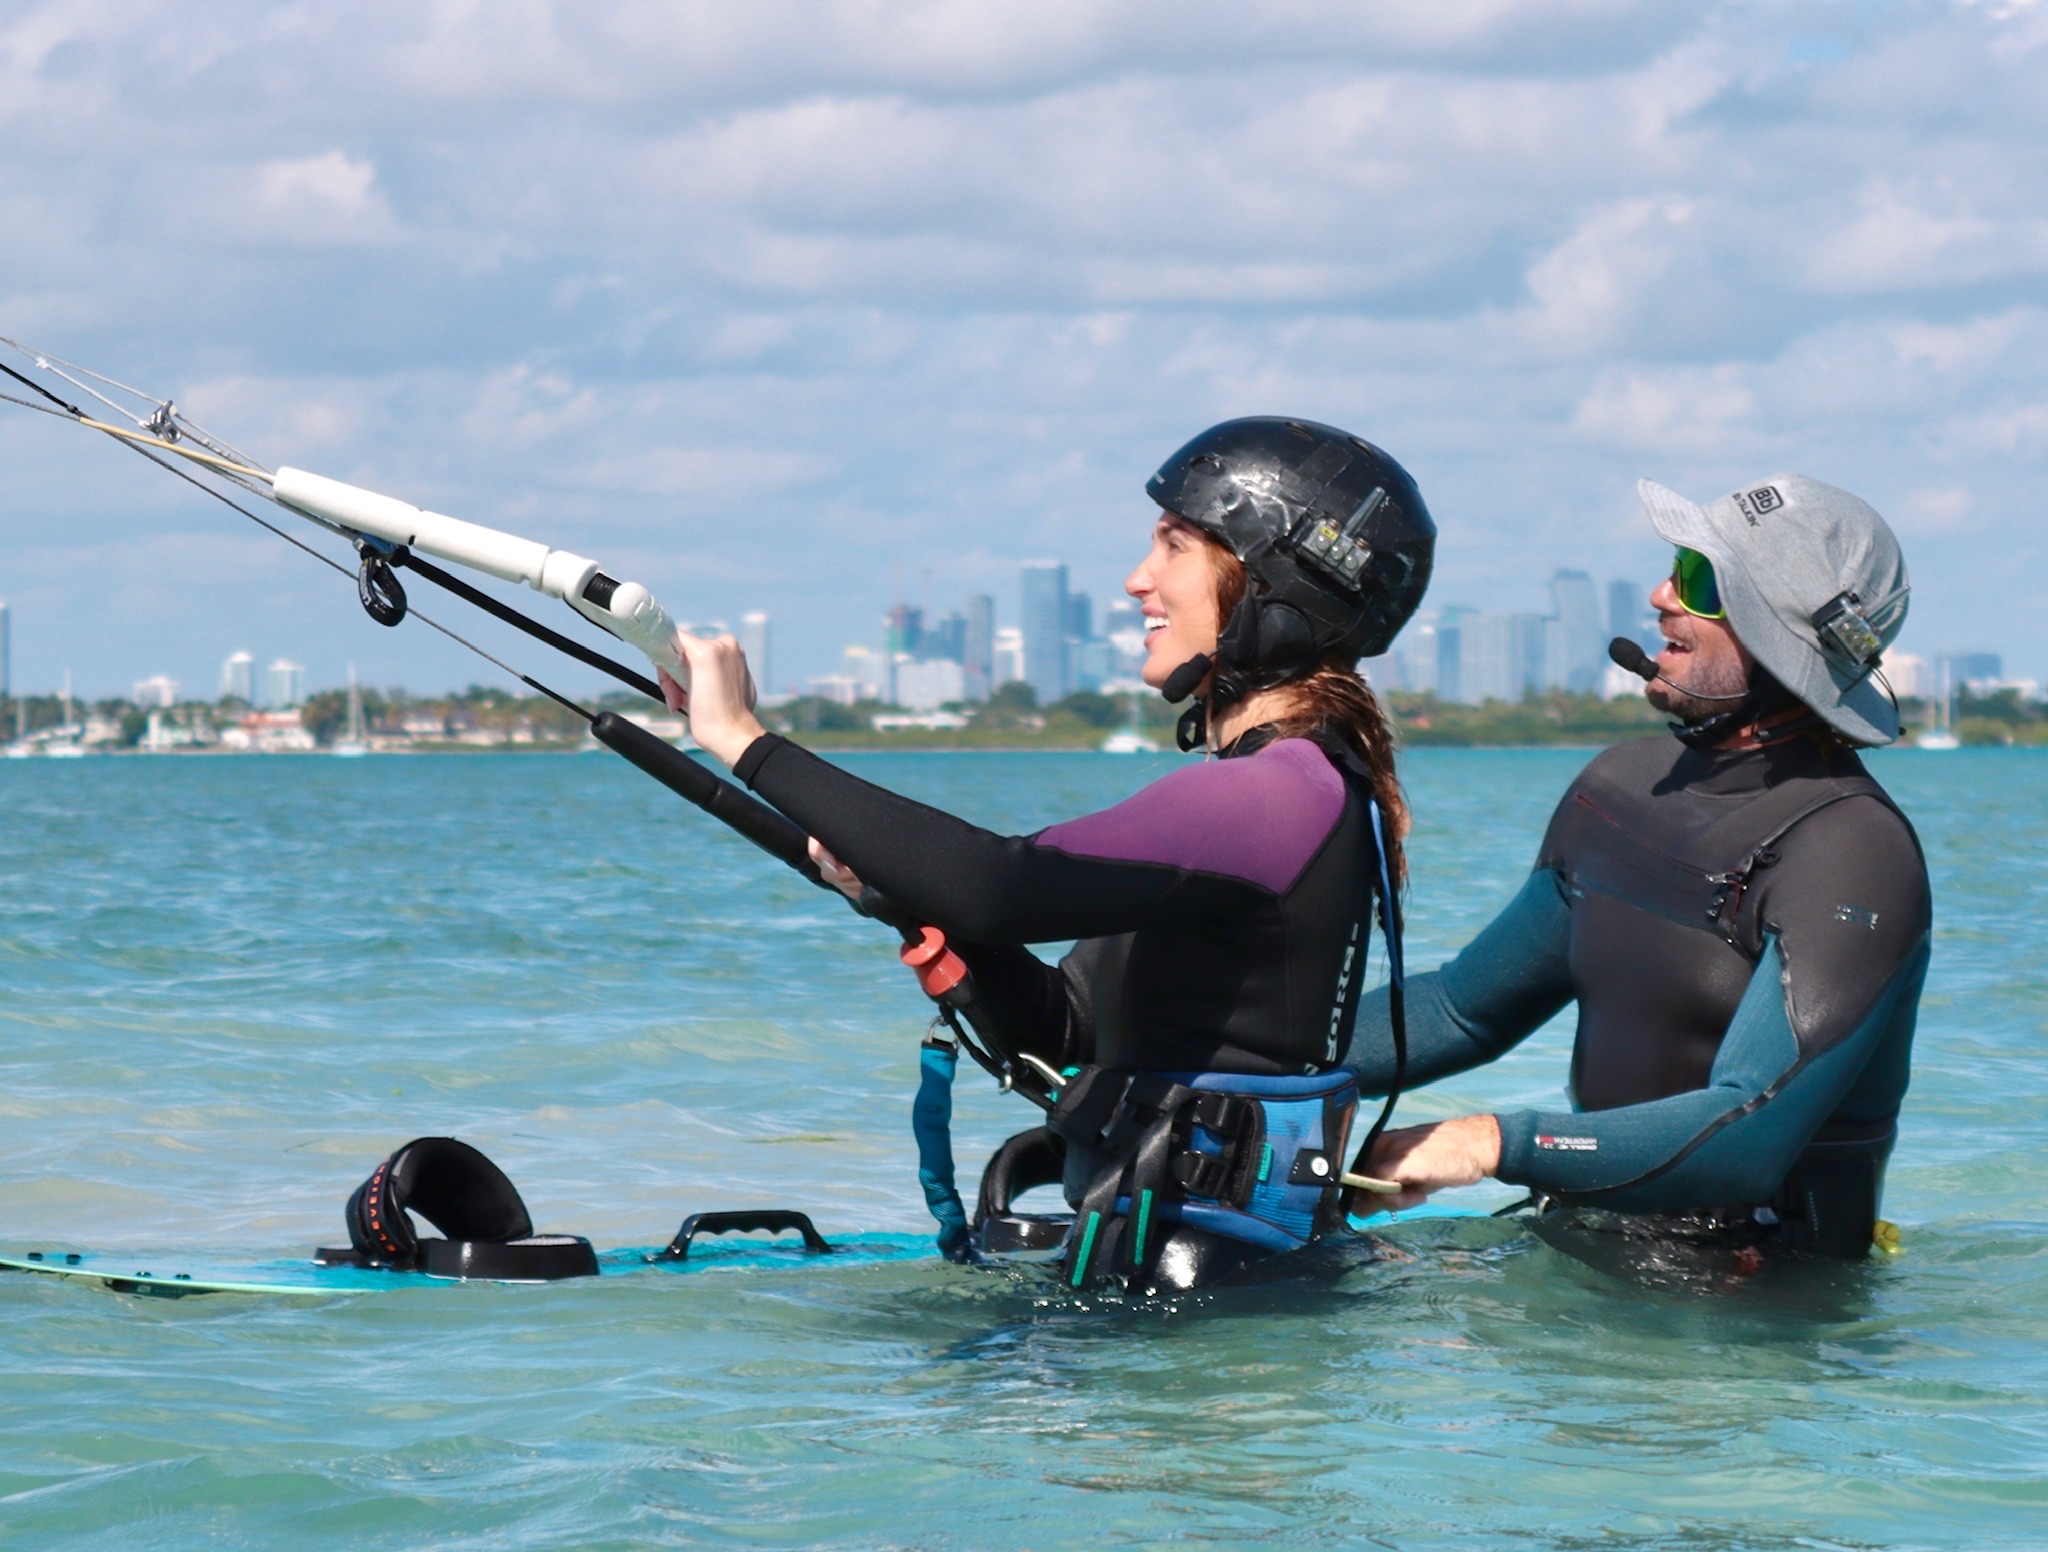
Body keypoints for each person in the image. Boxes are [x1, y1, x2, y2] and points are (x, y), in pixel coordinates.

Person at [667, 418, 1435, 1291]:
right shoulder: (1280, 786)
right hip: (1180, 1273)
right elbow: (1068, 1023)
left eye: (1173, 547)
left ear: (1269, 582)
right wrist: (912, 907)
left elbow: (998, 885)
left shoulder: (1279, 790)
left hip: (1208, 1297)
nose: (1138, 581)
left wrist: (743, 741)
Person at [1348, 474, 1928, 1260]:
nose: (1660, 595)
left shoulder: (1853, 851)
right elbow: (1462, 1010)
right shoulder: (1623, 786)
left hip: (1754, 1328)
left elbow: (1747, 1132)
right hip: (1583, 1259)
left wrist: (1492, 1143)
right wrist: (1241, 1047)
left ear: (1781, 633)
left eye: (1698, 581)